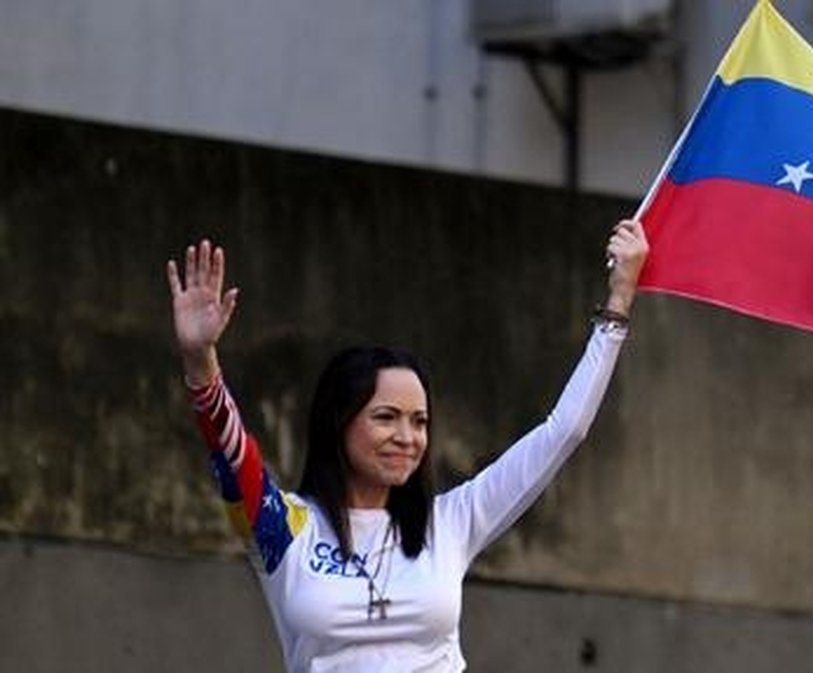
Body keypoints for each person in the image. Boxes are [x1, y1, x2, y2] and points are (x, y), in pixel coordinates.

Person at [166, 220, 648, 672]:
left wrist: (619, 302)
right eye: (385, 417)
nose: (407, 437)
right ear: (339, 422)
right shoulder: (287, 528)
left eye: (419, 421)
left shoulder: (452, 522)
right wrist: (200, 362)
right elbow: (233, 456)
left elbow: (564, 432)